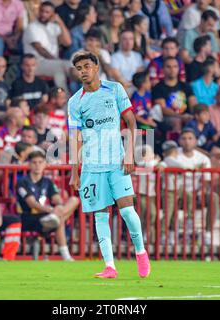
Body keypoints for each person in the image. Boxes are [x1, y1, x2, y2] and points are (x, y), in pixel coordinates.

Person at [68, 50, 150, 278]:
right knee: (100, 215)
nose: (83, 71)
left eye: (86, 66)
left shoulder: (114, 89)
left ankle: (141, 252)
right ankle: (110, 266)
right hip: (91, 166)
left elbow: (131, 121)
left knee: (127, 210)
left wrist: (130, 155)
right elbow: (75, 138)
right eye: (79, 68)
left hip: (116, 161)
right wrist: (74, 171)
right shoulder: (75, 102)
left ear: (96, 67)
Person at [159, 128, 218, 245]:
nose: (187, 141)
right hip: (177, 192)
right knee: (171, 197)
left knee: (214, 197)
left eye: (190, 138)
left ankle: (207, 234)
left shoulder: (203, 158)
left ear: (196, 141)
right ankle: (170, 235)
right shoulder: (174, 153)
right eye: (184, 138)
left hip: (195, 194)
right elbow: (165, 162)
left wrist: (202, 190)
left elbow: (206, 180)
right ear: (180, 141)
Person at [16, 150, 79, 261]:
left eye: (40, 162)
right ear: (29, 164)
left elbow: (57, 199)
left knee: (74, 200)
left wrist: (59, 207)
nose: (37, 165)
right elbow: (32, 204)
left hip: (48, 216)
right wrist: (52, 211)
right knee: (58, 218)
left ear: (45, 164)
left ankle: (55, 218)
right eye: (34, 162)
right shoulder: (23, 182)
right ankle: (66, 256)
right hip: (30, 218)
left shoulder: (47, 182)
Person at [22, 1, 72, 92]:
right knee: (63, 67)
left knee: (59, 72)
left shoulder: (54, 27)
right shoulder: (32, 27)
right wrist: (56, 60)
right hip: (36, 64)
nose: (43, 14)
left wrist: (60, 22)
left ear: (52, 14)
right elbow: (40, 49)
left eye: (47, 12)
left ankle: (66, 99)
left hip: (53, 64)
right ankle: (65, 100)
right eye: (42, 11)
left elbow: (67, 42)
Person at [152, 56, 196, 132]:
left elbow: (193, 104)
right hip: (167, 118)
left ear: (179, 69)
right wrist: (181, 117)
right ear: (163, 69)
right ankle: (175, 143)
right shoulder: (158, 87)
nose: (172, 70)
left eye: (175, 67)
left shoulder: (186, 86)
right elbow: (163, 109)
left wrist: (195, 115)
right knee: (176, 121)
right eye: (168, 67)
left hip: (186, 116)